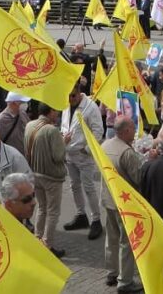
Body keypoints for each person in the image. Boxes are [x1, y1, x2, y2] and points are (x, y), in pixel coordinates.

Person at [100, 116, 145, 292]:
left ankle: (111, 272)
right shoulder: (127, 153)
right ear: (126, 131)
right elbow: (139, 178)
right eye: (133, 129)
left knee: (111, 236)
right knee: (126, 242)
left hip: (108, 199)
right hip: (124, 204)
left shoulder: (105, 145)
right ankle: (125, 281)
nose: (135, 132)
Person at [61, 83, 104, 240]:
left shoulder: (91, 107)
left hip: (83, 155)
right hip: (69, 153)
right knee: (74, 186)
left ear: (79, 93)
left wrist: (86, 149)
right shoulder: (66, 105)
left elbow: (98, 131)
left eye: (73, 95)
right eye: (68, 96)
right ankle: (81, 214)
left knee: (89, 187)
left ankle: (96, 219)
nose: (70, 99)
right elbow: (65, 125)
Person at [24, 103, 67, 259]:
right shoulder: (52, 130)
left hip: (35, 174)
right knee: (53, 211)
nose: (57, 114)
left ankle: (37, 238)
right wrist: (64, 142)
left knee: (41, 208)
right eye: (55, 110)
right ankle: (47, 244)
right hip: (51, 177)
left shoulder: (29, 125)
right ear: (50, 112)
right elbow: (58, 156)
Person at [0, 92, 31, 156]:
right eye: (22, 102)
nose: (25, 105)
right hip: (10, 157)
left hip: (24, 156)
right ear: (14, 103)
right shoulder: (0, 120)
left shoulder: (23, 114)